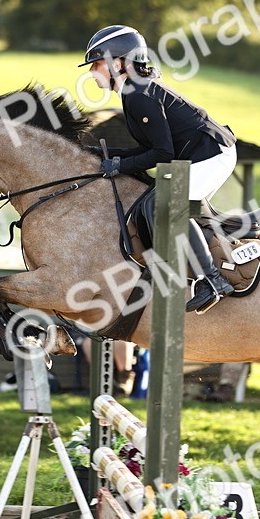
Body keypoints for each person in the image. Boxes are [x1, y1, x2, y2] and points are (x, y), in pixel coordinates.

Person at [80, 25, 238, 314]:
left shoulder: (139, 94)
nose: (92, 71)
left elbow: (161, 154)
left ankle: (212, 281)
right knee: (148, 204)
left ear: (117, 63)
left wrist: (119, 167)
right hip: (195, 155)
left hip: (212, 154)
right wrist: (102, 156)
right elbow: (148, 150)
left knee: (164, 206)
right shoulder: (133, 90)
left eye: (97, 63)